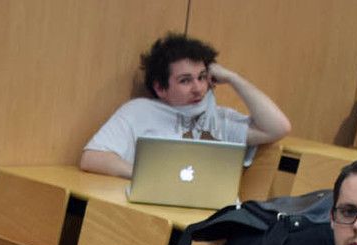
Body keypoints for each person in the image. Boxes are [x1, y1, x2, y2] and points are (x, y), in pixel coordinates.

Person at [79, 32, 291, 179]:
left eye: (202, 77)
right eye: (185, 80)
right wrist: (147, 176)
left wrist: (233, 78)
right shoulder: (139, 111)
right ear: (160, 88)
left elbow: (278, 127)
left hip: (212, 217)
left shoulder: (219, 119)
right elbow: (92, 158)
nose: (198, 88)